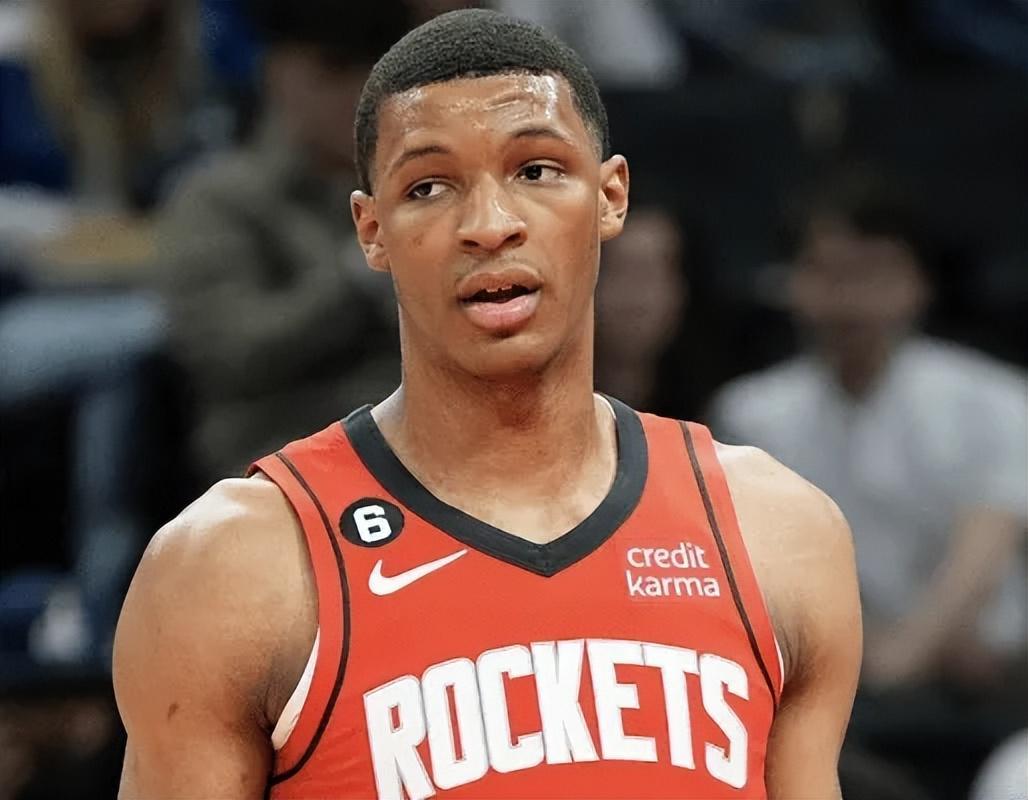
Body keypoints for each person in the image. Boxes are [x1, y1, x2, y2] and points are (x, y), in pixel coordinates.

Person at [113, 10, 861, 799]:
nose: (490, 226)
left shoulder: (778, 533)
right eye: (429, 187)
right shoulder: (233, 566)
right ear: (371, 231)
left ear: (611, 197)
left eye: (536, 170)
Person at [155, 0, 408, 480]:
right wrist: (353, 281)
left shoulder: (420, 189)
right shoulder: (221, 200)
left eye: (376, 74)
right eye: (334, 69)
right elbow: (229, 352)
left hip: (435, 443)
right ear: (278, 74)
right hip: (282, 456)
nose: (360, 94)